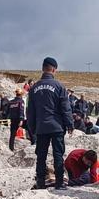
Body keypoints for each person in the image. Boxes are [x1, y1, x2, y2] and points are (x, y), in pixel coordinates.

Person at [27, 57, 73, 190]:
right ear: (54, 69)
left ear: (43, 68)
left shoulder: (34, 88)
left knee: (41, 156)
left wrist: (32, 128)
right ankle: (59, 183)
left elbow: (30, 111)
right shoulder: (59, 86)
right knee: (58, 154)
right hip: (57, 126)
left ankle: (40, 182)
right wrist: (69, 124)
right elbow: (66, 108)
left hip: (41, 127)